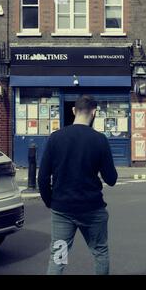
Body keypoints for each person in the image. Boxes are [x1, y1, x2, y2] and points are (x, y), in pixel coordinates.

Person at [38, 95, 118, 275]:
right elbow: (111, 179)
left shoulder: (55, 138)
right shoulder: (100, 140)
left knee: (58, 256)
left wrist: (51, 202)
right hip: (92, 209)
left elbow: (42, 178)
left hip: (62, 210)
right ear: (94, 112)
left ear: (74, 111)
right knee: (100, 252)